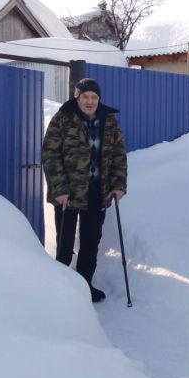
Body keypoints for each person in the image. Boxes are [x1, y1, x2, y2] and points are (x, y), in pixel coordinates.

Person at [42, 78, 127, 303]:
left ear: (99, 99)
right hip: (67, 193)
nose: (89, 101)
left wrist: (118, 186)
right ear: (77, 98)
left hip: (98, 191)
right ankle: (60, 288)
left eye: (94, 97)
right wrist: (59, 189)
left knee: (91, 242)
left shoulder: (109, 121)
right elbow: (50, 156)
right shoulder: (62, 119)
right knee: (65, 243)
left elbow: (119, 156)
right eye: (85, 97)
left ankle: (84, 286)